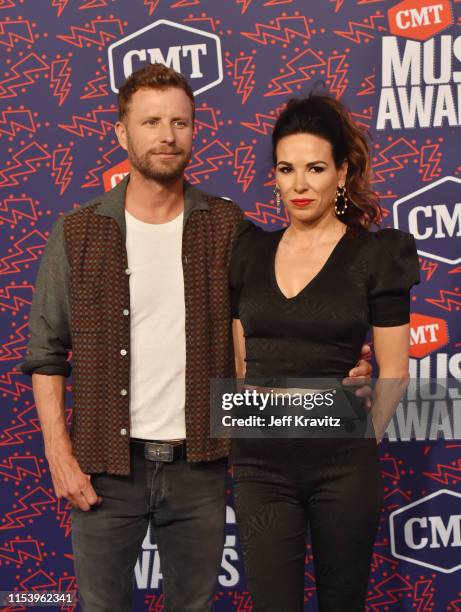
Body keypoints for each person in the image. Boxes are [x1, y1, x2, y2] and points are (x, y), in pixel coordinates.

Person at [19, 64, 373, 612]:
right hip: (105, 470)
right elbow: (45, 353)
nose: (167, 135)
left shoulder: (228, 228)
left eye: (180, 122)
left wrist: (347, 363)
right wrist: (58, 453)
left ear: (194, 130)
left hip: (200, 469)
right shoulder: (78, 231)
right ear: (121, 132)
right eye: (152, 122)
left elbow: (285, 309)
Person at [229, 94, 420, 611]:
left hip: (343, 468)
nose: (300, 184)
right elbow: (240, 363)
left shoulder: (377, 255)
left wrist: (356, 440)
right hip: (260, 468)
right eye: (287, 169)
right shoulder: (248, 251)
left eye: (315, 168)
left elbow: (395, 371)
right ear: (274, 176)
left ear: (341, 173)